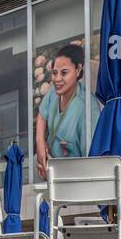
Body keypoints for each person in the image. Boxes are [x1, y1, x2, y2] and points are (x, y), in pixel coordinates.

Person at [34, 43, 100, 179]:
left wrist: (55, 172)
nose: (57, 79)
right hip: (51, 175)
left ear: (78, 70)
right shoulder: (53, 91)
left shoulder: (88, 110)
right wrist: (40, 143)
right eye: (54, 73)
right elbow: (42, 115)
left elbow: (89, 163)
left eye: (64, 73)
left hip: (74, 183)